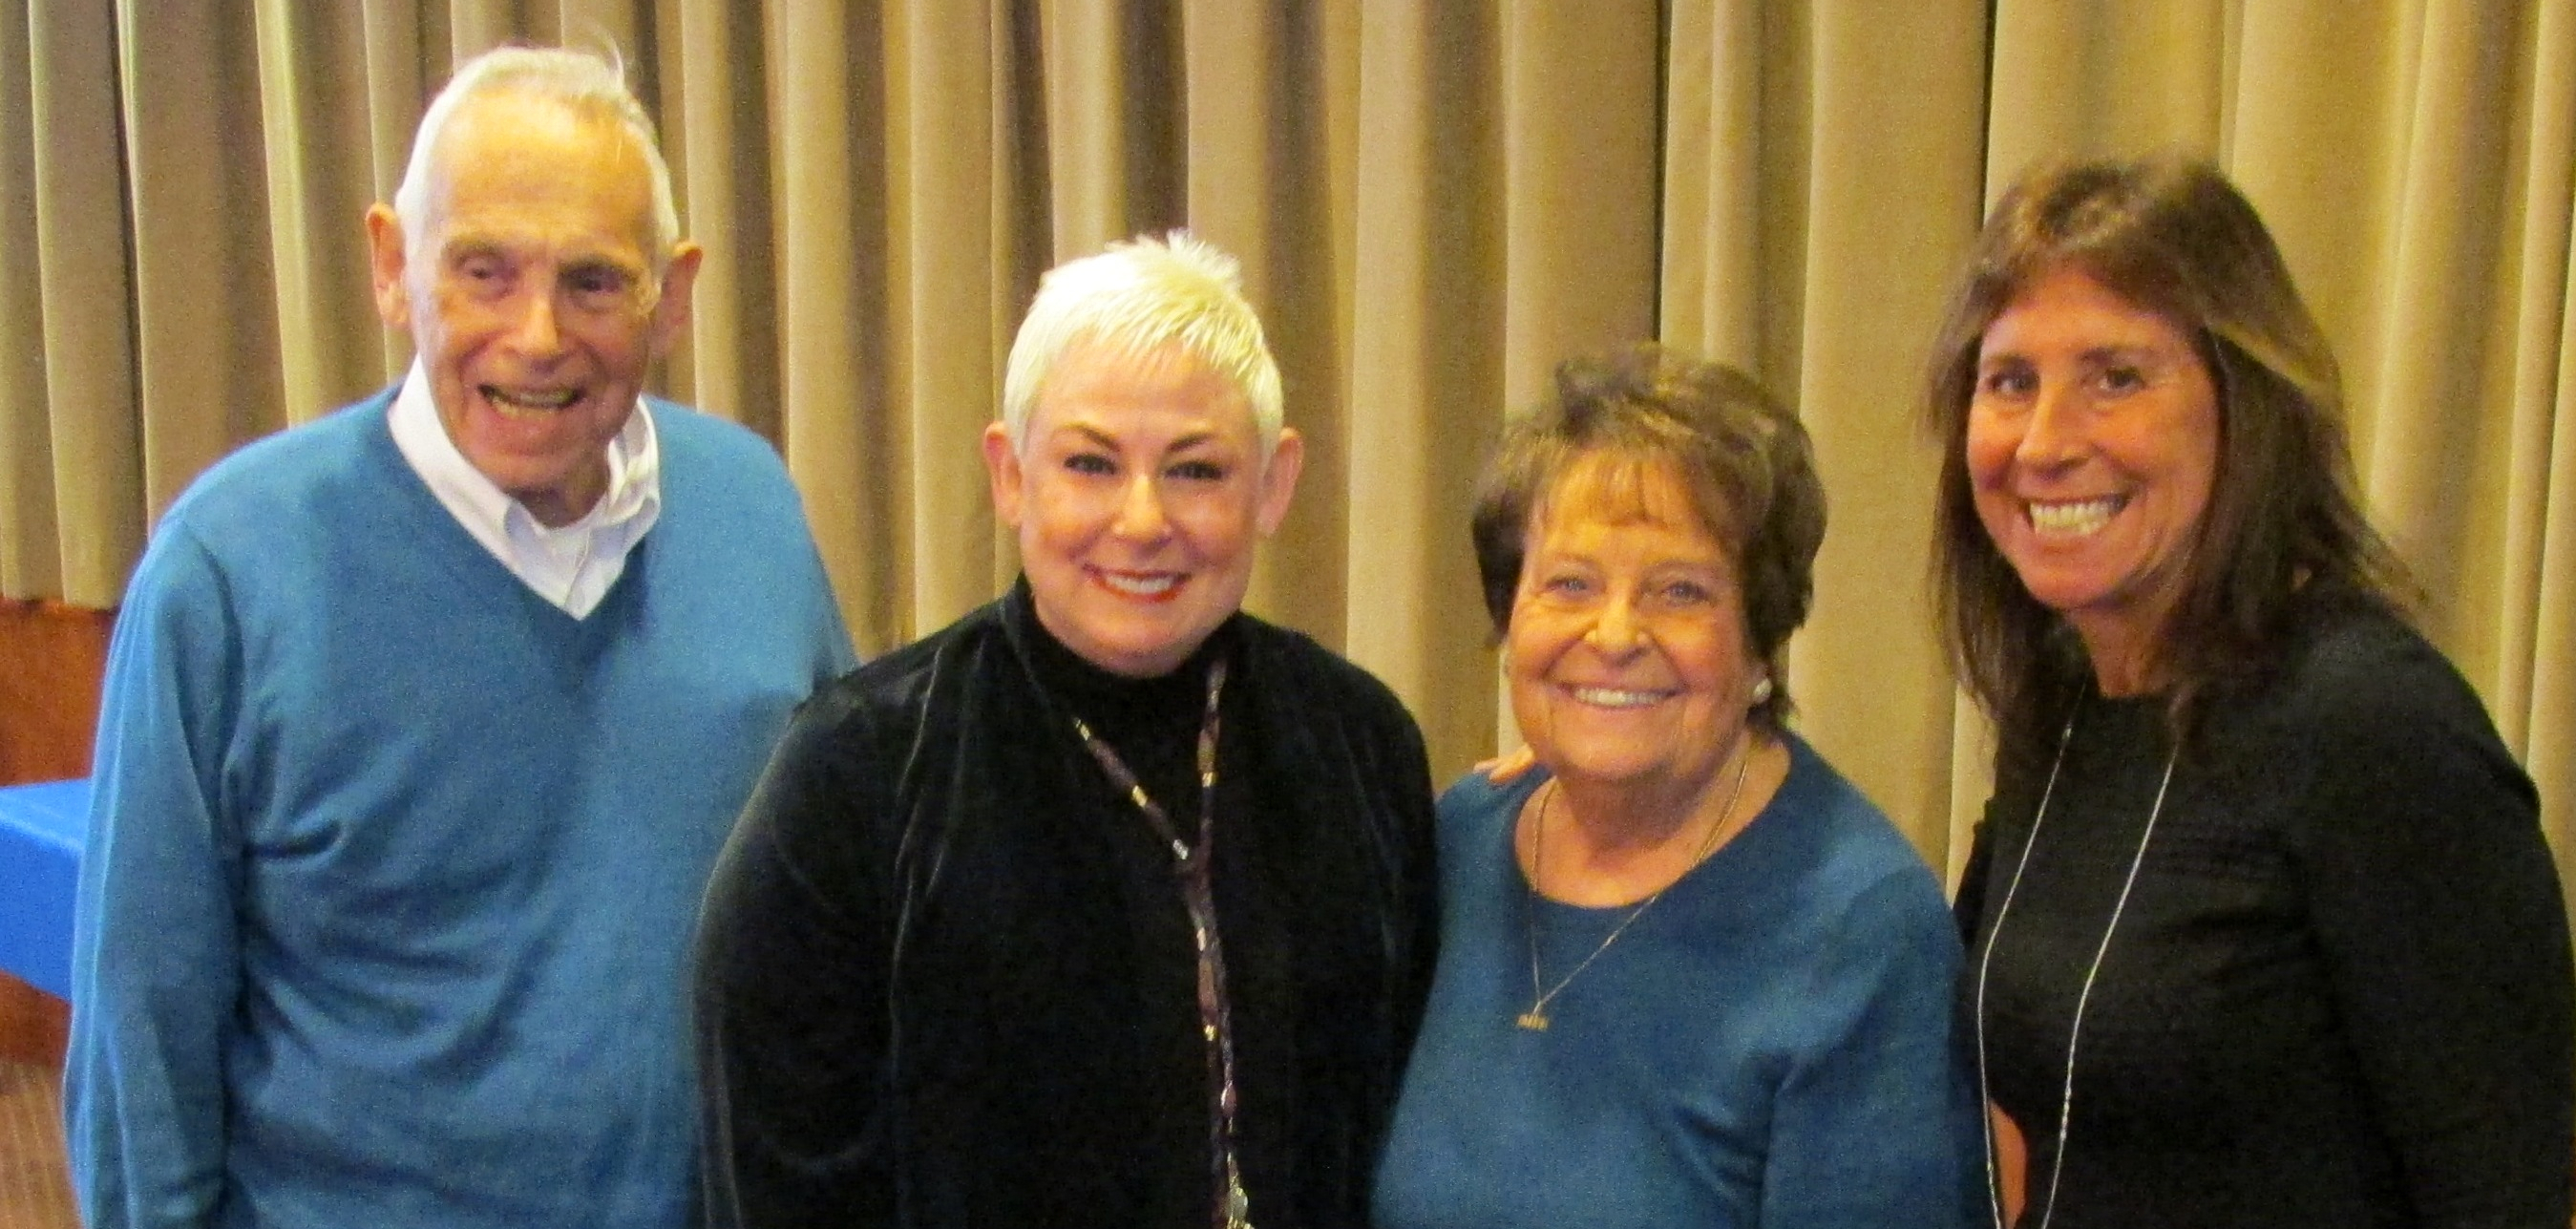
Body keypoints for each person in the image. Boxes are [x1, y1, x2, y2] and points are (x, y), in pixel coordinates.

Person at [65, 46, 855, 1229]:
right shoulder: (226, 573)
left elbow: (836, 904)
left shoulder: (752, 510)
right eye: (484, 272)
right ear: (393, 268)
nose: (537, 335)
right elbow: (143, 1028)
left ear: (673, 294)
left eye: (593, 282)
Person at [693, 232, 1439, 1229]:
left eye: (1196, 471)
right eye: (1090, 464)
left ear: (1273, 484)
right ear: (1010, 475)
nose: (1141, 521)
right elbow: (779, 1177)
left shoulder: (1358, 744)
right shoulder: (859, 771)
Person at [1935, 155, 2574, 1227]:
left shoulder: (2372, 725)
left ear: (2246, 405)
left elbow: (2508, 1192)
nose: (2044, 443)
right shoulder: (2064, 699)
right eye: (2009, 382)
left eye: (2115, 377)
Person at [1371, 346, 1980, 1228]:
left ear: (1762, 639)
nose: (1615, 634)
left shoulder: (1863, 929)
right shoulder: (1461, 841)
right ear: (1509, 617)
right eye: (1570, 584)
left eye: (1679, 591)